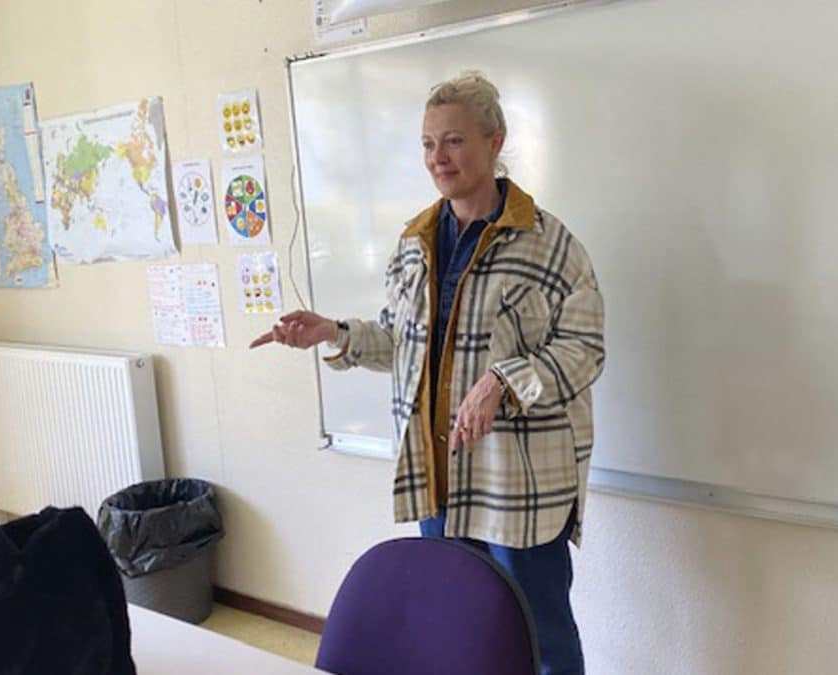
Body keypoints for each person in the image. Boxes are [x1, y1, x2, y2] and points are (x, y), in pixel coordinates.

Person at [251, 71, 605, 675]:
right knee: (460, 634)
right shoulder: (414, 241)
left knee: (541, 638)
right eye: (427, 143)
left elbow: (584, 348)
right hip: (438, 481)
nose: (438, 158)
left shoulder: (550, 244)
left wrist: (502, 381)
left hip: (520, 491)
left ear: (495, 142)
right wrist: (333, 333)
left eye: (454, 141)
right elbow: (401, 344)